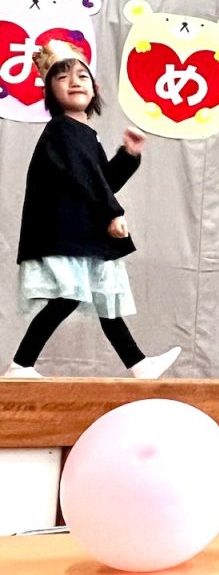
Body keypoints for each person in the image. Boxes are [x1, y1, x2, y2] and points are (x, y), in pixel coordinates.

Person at [5, 41, 180, 379]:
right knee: (69, 296)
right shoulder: (62, 130)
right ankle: (21, 364)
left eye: (82, 75)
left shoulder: (83, 133)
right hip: (66, 233)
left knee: (102, 299)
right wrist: (113, 213)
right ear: (49, 91)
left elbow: (102, 180)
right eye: (62, 77)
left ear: (95, 88)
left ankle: (139, 365)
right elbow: (86, 179)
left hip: (80, 233)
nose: (74, 81)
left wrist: (128, 156)